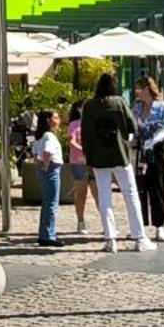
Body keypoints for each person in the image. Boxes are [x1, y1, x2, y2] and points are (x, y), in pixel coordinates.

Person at [81, 72, 153, 253]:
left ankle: (110, 239)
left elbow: (85, 135)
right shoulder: (119, 103)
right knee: (131, 195)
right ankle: (139, 237)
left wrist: (89, 158)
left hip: (98, 158)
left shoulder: (89, 106)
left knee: (104, 198)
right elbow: (132, 127)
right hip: (120, 155)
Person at [132, 76, 164, 242]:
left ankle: (159, 226)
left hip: (157, 151)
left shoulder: (161, 107)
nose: (137, 92)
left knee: (157, 188)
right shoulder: (137, 108)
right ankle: (141, 226)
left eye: (140, 88)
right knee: (140, 189)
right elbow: (133, 127)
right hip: (141, 153)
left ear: (148, 89)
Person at [31, 110, 63, 247]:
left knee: (47, 202)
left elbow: (34, 154)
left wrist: (41, 165)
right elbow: (47, 153)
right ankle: (48, 234)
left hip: (44, 169)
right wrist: (45, 165)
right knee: (51, 203)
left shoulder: (40, 136)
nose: (58, 120)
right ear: (49, 121)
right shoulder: (49, 136)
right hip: (51, 169)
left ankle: (44, 233)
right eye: (55, 118)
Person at [67, 99, 93, 234]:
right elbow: (71, 141)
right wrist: (84, 150)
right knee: (81, 193)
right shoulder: (74, 124)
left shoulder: (92, 123)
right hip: (78, 162)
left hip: (93, 162)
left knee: (98, 193)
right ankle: (80, 221)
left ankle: (107, 223)